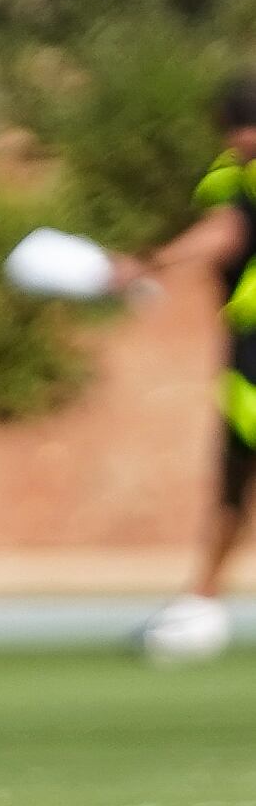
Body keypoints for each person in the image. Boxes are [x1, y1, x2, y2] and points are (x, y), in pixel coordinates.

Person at [132, 74, 256, 664]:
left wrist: (154, 262)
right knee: (235, 469)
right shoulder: (231, 176)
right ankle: (203, 601)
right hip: (249, 342)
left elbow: (225, 235)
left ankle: (203, 601)